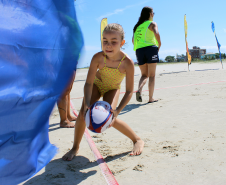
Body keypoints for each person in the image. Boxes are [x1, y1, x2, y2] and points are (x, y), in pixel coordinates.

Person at [62, 23, 144, 161]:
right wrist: (87, 103)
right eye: (105, 41)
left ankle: (137, 140)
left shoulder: (127, 63)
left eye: (114, 42)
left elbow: (129, 91)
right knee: (83, 113)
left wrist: (117, 110)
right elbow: (88, 83)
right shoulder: (98, 57)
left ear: (122, 43)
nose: (108, 45)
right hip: (96, 85)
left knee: (110, 117)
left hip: (112, 88)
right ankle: (75, 147)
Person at [132, 6, 161, 103]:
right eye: (153, 13)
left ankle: (139, 90)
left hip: (139, 51)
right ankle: (150, 98)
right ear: (149, 14)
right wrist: (159, 44)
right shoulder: (152, 23)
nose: (153, 14)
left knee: (144, 74)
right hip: (150, 49)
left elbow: (133, 40)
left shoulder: (137, 27)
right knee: (152, 75)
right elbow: (156, 33)